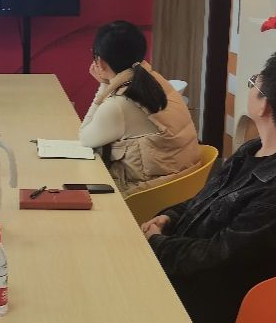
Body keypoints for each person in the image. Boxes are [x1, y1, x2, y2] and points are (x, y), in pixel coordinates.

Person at [141, 46, 276, 323]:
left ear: (265, 105)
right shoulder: (257, 149)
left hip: (203, 301)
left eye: (254, 82)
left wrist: (158, 244)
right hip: (179, 263)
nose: (251, 87)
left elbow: (216, 259)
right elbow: (207, 199)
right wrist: (170, 217)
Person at [78, 20, 200, 194]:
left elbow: (85, 138)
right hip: (180, 184)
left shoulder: (118, 104)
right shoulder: (154, 80)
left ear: (101, 62)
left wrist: (104, 86)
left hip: (146, 194)